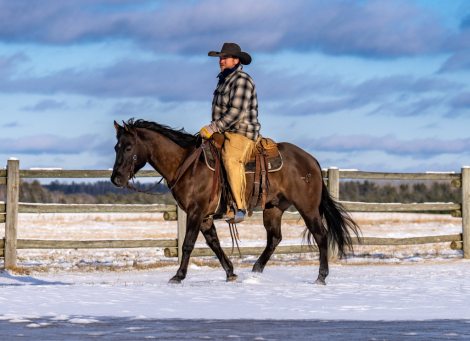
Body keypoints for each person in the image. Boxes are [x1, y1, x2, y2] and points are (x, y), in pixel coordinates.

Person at [200, 43, 261, 222]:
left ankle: (239, 207)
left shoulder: (242, 79)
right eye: (220, 57)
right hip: (224, 130)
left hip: (242, 132)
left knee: (230, 158)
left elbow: (236, 113)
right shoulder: (224, 79)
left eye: (224, 57)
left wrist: (213, 127)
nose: (221, 60)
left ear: (236, 60)